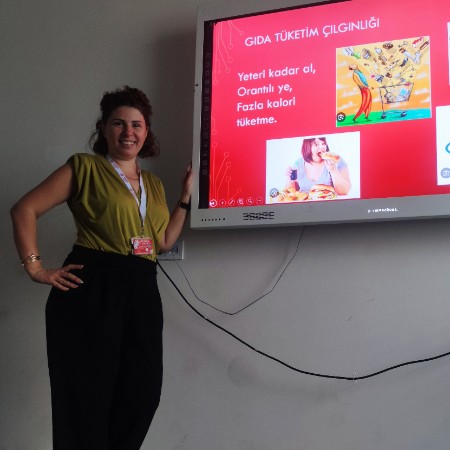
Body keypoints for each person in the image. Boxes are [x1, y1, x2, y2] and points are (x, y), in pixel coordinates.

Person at [10, 86, 193, 450]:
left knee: (142, 394)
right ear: (104, 128)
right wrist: (36, 268)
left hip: (142, 287)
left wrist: (184, 197)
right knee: (85, 399)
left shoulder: (154, 185)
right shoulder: (84, 167)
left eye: (136, 124)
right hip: (93, 285)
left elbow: (162, 242)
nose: (128, 132)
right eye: (118, 123)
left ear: (147, 131)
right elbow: (24, 209)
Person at [287, 137, 351, 195]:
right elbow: (292, 193)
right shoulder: (298, 164)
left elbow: (344, 192)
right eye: (316, 144)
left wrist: (333, 170)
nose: (322, 147)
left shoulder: (336, 160)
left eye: (323, 144)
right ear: (307, 147)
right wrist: (289, 178)